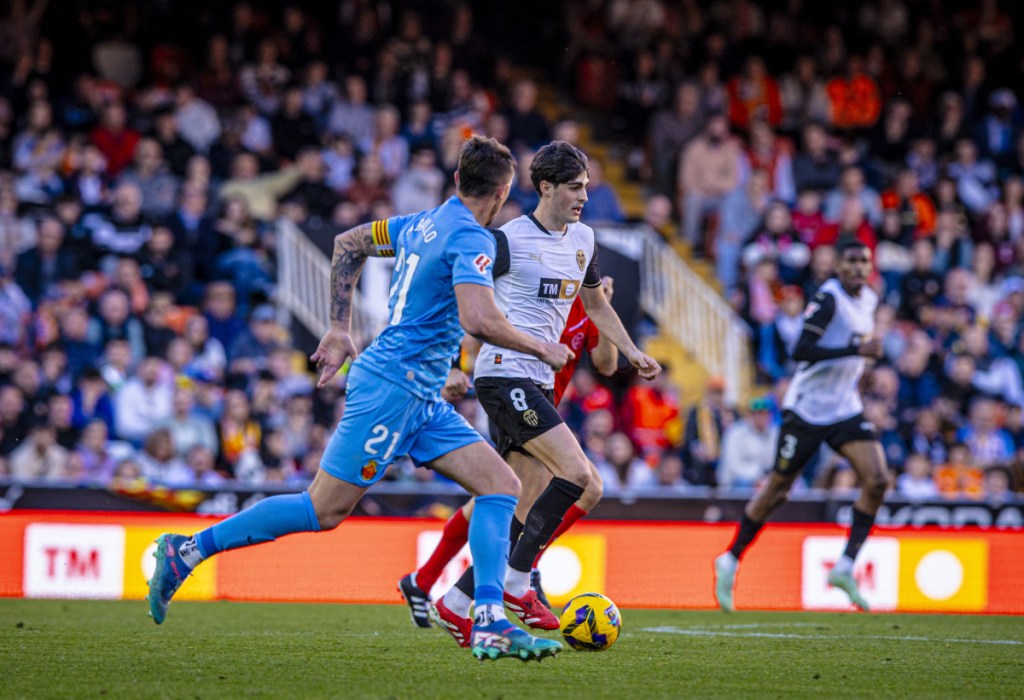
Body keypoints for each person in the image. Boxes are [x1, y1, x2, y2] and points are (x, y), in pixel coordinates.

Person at [147, 135, 572, 662]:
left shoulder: (419, 223)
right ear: (505, 191)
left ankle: (486, 619)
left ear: (458, 180)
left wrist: (339, 328)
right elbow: (478, 319)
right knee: (322, 509)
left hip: (420, 393)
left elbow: (349, 243)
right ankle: (186, 550)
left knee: (500, 484)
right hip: (392, 388)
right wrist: (541, 347)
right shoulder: (473, 239)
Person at [419, 141, 660, 646]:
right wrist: (452, 365)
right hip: (505, 375)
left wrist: (632, 351)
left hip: (537, 383)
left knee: (522, 503)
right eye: (575, 187)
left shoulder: (585, 240)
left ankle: (456, 601)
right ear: (545, 187)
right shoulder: (506, 241)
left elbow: (595, 307)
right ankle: (515, 580)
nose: (584, 197)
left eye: (587, 186)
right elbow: (465, 302)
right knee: (578, 476)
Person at [398, 275, 618, 627]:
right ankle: (516, 571)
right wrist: (455, 365)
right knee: (565, 487)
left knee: (503, 498)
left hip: (545, 410)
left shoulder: (589, 306)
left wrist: (603, 310)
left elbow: (606, 365)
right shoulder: (536, 290)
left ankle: (427, 581)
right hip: (512, 397)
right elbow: (472, 314)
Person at [713, 236, 890, 612]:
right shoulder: (828, 300)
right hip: (806, 410)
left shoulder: (870, 299)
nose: (859, 268)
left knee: (876, 479)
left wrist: (860, 370)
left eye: (865, 261)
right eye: (852, 261)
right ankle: (730, 557)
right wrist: (856, 351)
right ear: (838, 266)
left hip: (843, 406)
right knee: (778, 489)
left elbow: (850, 350)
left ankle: (844, 566)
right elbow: (800, 351)